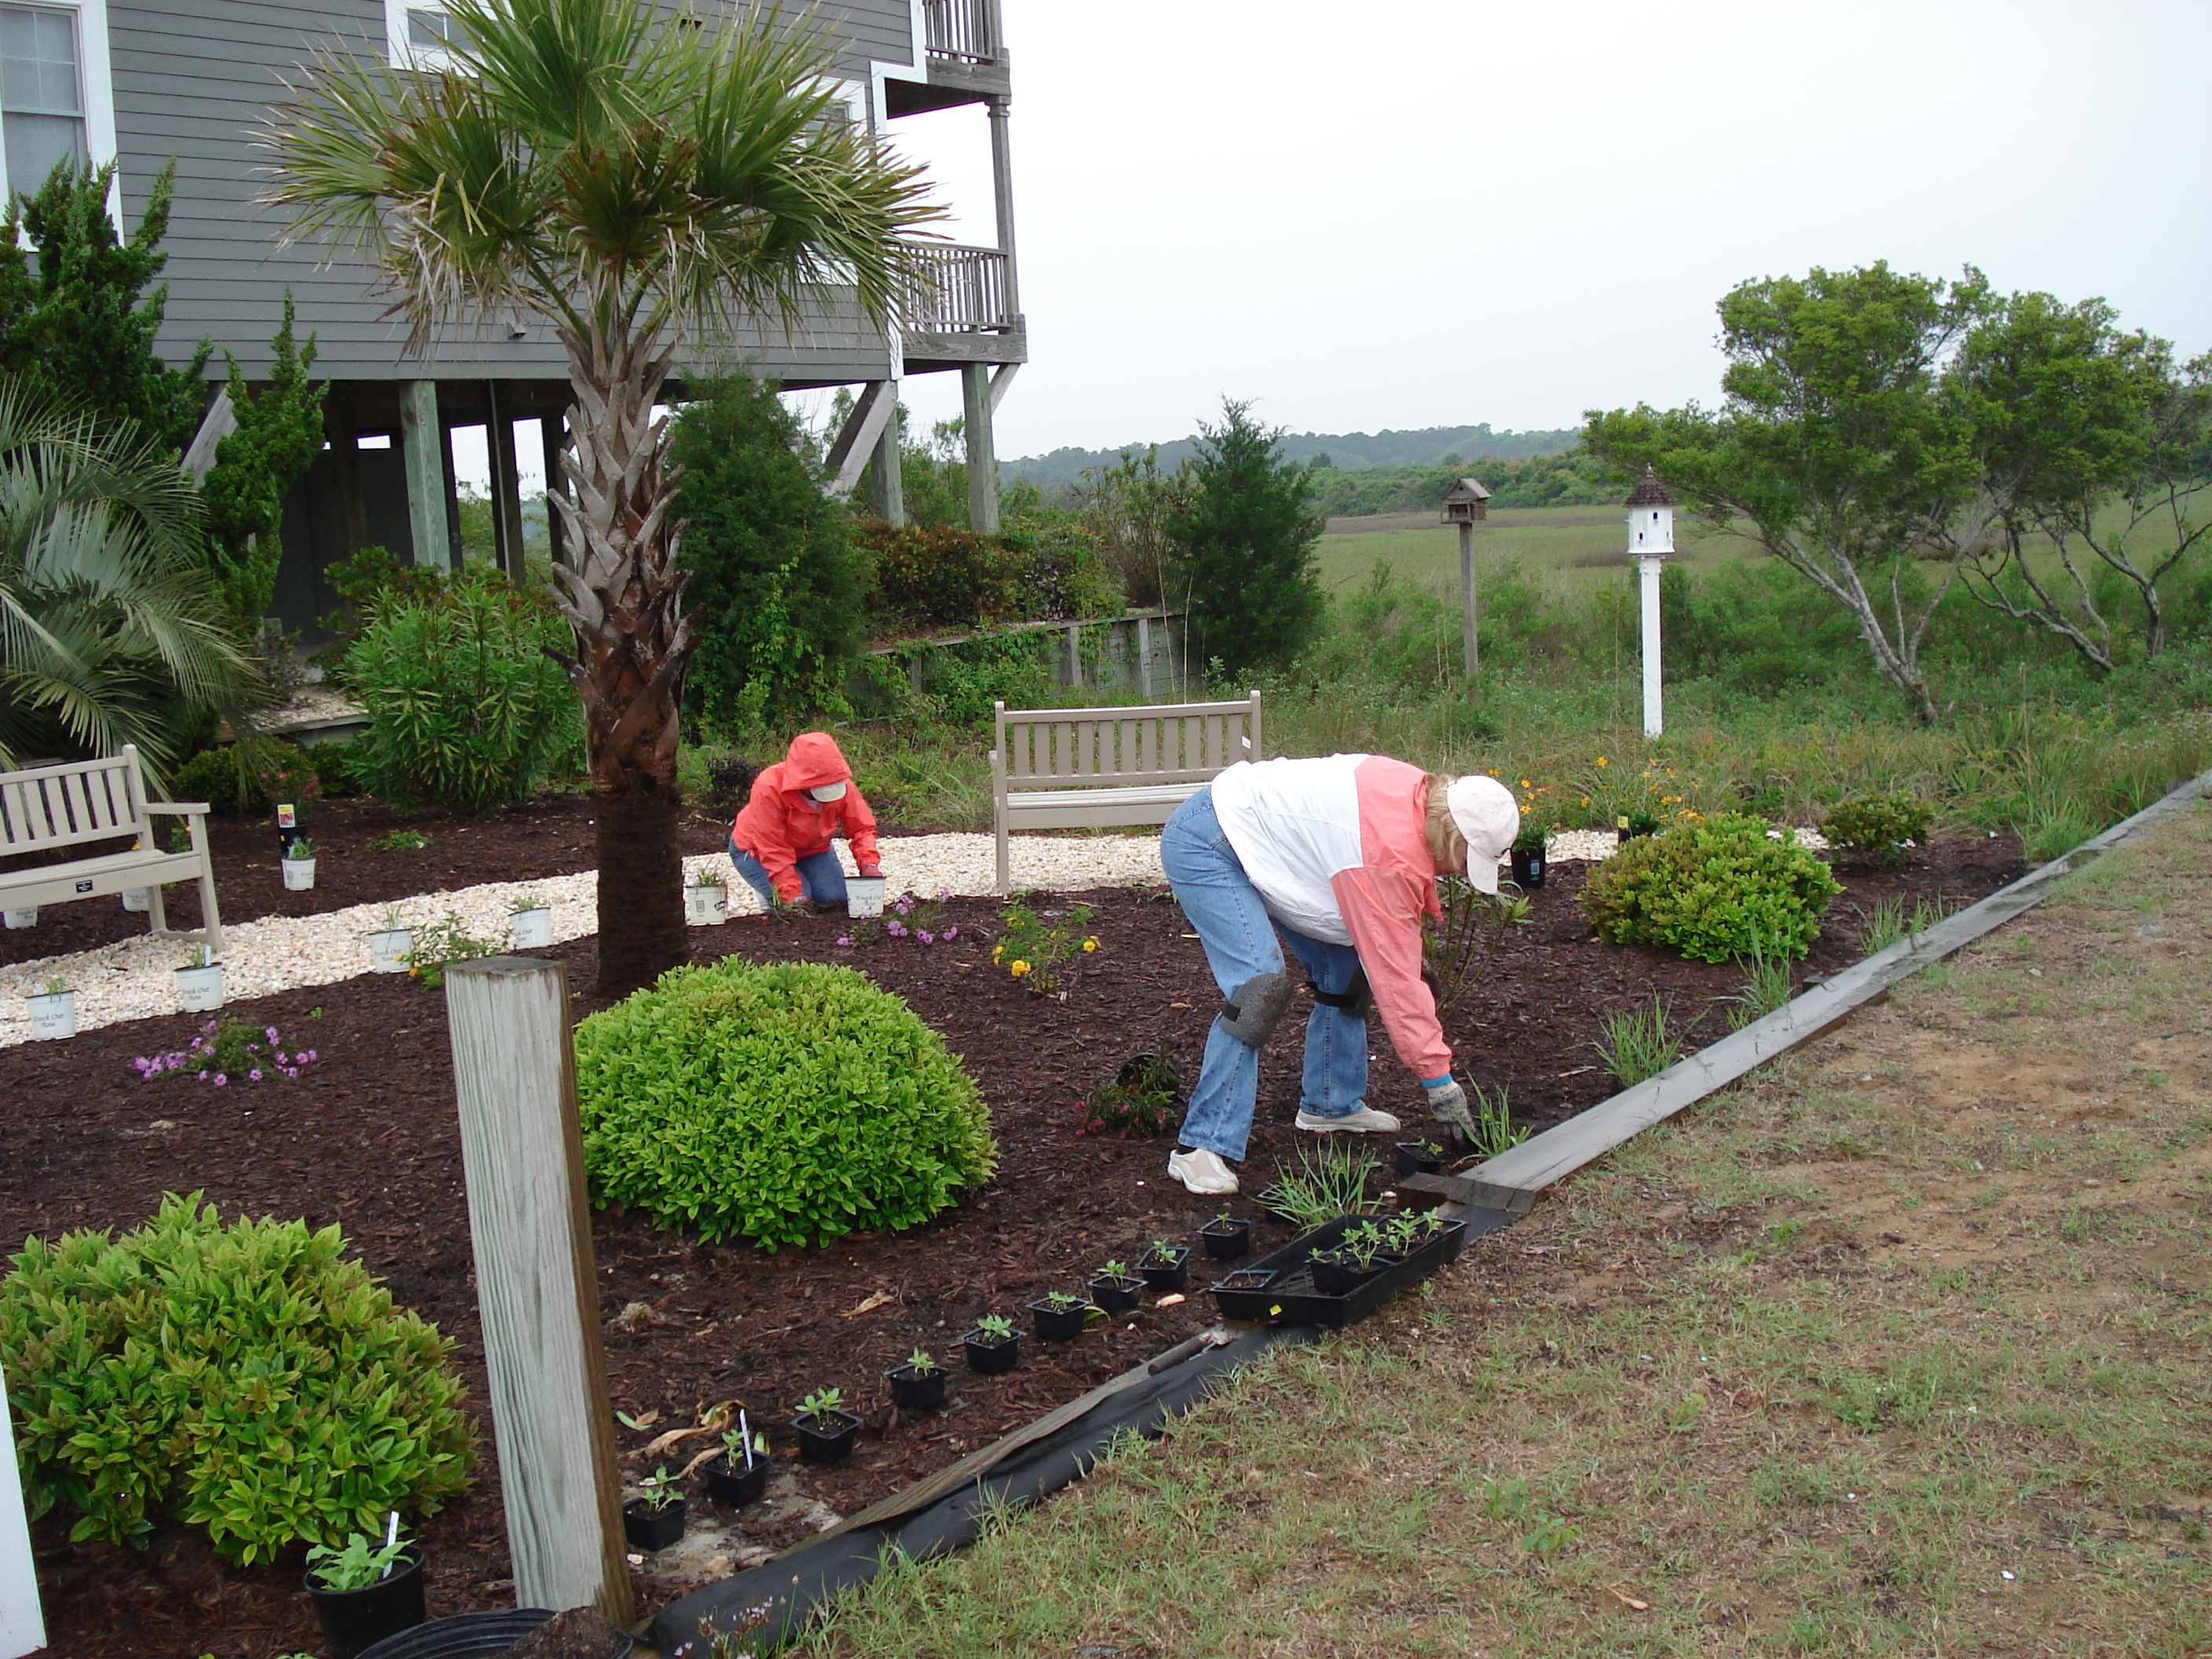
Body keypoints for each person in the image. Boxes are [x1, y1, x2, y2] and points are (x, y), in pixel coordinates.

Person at [1159, 753, 1519, 1196]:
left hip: (1270, 845)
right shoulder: (1387, 855)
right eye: (1467, 860)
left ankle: (1330, 1104)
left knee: (1346, 969)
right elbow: (1399, 986)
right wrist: (1439, 1082)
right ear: (1451, 837)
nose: (1461, 873)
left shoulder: (1419, 800)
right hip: (1208, 840)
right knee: (1259, 987)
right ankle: (1200, 1146)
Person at [729, 732, 882, 910]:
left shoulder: (842, 784)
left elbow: (862, 828)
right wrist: (792, 895)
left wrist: (869, 863)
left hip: (810, 849)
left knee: (834, 899)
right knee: (798, 902)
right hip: (756, 850)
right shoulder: (769, 788)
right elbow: (772, 848)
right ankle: (769, 897)